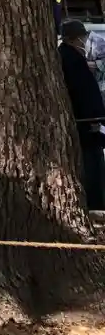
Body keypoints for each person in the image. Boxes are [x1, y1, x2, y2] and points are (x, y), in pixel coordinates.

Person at [59, 18, 105, 210]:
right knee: (92, 167)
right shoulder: (72, 60)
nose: (84, 41)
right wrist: (94, 118)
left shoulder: (70, 57)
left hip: (89, 122)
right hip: (87, 124)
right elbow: (83, 92)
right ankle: (96, 205)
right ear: (74, 39)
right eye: (82, 38)